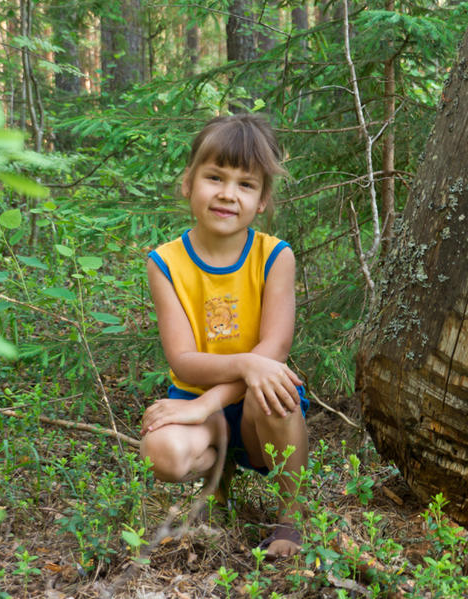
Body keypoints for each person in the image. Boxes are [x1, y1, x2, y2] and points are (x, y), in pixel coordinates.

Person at [140, 114, 308, 558]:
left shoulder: (275, 257)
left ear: (262, 200)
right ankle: (219, 489)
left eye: (245, 184)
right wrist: (207, 401)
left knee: (273, 389)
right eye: (215, 177)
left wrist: (209, 401)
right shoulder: (166, 262)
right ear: (188, 183)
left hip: (253, 408)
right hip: (202, 406)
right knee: (162, 451)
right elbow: (183, 359)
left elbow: (272, 352)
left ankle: (292, 517)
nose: (227, 194)